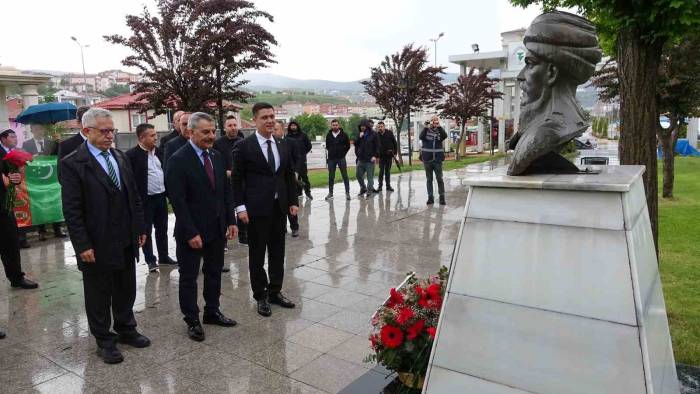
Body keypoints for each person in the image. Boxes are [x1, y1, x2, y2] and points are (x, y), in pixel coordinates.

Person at [59, 108, 150, 364]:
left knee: (125, 286)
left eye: (112, 130)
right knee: (99, 293)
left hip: (124, 237)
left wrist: (139, 228)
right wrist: (82, 245)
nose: (110, 135)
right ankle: (104, 340)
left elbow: (134, 196)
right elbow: (72, 209)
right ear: (87, 131)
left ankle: (126, 328)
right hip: (96, 241)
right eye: (105, 131)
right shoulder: (73, 163)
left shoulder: (120, 157)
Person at [166, 112, 238, 342]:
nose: (211, 136)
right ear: (190, 132)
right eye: (205, 132)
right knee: (188, 277)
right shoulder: (178, 159)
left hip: (217, 229)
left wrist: (231, 220)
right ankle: (192, 319)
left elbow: (225, 192)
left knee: (214, 272)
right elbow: (178, 201)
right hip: (192, 233)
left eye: (213, 132)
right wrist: (190, 231)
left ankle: (212, 311)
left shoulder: (216, 156)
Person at [232, 102, 299, 317]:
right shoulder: (244, 146)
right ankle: (260, 295)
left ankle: (275, 291)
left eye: (272, 116)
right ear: (254, 120)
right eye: (264, 117)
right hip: (256, 210)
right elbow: (237, 179)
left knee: (278, 252)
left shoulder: (282, 143)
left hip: (279, 208)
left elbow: (288, 175)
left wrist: (293, 201)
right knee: (257, 254)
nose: (270, 120)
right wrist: (240, 207)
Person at [125, 123, 177, 273]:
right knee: (146, 231)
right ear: (142, 137)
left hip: (161, 198)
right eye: (152, 135)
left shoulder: (160, 152)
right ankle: (150, 260)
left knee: (162, 229)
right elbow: (131, 181)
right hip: (144, 201)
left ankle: (164, 256)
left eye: (156, 135)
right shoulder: (131, 156)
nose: (156, 138)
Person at [0, 129, 39, 290]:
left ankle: (16, 277)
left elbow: (8, 176)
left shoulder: (8, 153)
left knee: (10, 241)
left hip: (3, 206)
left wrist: (14, 178)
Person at [22, 123, 66, 240]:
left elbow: (59, 156)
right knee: (39, 203)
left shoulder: (52, 142)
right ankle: (41, 231)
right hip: (37, 179)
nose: (39, 131)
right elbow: (25, 159)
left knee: (54, 201)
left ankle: (58, 228)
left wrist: (58, 143)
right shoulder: (26, 144)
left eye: (41, 129)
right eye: (36, 129)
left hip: (52, 178)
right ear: (32, 131)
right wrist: (33, 157)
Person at [213, 115, 247, 245]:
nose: (233, 128)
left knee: (242, 208)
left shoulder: (242, 141)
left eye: (235, 125)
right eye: (230, 125)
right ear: (225, 127)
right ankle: (224, 240)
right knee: (225, 211)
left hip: (240, 182)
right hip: (224, 182)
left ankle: (243, 236)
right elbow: (214, 163)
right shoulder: (217, 144)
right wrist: (225, 172)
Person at [419, 116, 448, 205]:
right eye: (433, 121)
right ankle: (430, 197)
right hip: (427, 159)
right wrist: (426, 127)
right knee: (429, 179)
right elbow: (421, 137)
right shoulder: (426, 131)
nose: (434, 123)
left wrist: (439, 126)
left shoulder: (440, 131)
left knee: (439, 178)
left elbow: (445, 136)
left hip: (437, 159)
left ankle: (442, 197)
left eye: (436, 121)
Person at [324, 119, 351, 201]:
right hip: (331, 159)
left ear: (339, 125)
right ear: (331, 126)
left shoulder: (344, 135)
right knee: (331, 176)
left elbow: (348, 146)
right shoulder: (328, 135)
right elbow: (327, 146)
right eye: (333, 125)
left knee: (345, 176)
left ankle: (347, 193)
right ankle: (330, 193)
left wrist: (343, 153)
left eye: (336, 125)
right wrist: (331, 152)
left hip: (341, 158)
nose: (335, 126)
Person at [285, 120, 312, 200]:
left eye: (294, 125)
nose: (293, 127)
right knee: (296, 178)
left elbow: (309, 146)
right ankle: (299, 193)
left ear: (297, 126)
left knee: (304, 177)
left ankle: (308, 192)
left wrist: (303, 153)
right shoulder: (287, 137)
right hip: (292, 161)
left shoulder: (303, 135)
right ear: (289, 127)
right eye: (291, 126)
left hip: (302, 160)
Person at [354, 119, 380, 197]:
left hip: (370, 160)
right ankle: (363, 188)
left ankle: (369, 191)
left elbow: (378, 146)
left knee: (370, 178)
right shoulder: (360, 134)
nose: (362, 128)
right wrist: (359, 137)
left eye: (364, 126)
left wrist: (375, 156)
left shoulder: (374, 134)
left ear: (367, 126)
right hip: (361, 159)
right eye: (361, 126)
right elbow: (356, 144)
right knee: (358, 175)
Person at [376, 121, 397, 192]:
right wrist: (377, 156)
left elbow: (395, 143)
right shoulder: (377, 135)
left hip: (389, 156)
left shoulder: (389, 133)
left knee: (387, 172)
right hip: (381, 157)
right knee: (381, 172)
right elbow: (375, 146)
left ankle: (388, 186)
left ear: (384, 127)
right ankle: (380, 187)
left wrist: (395, 153)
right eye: (379, 127)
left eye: (381, 126)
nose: (380, 128)